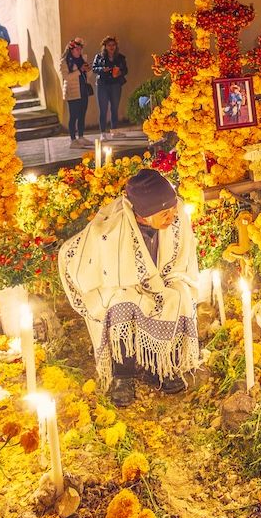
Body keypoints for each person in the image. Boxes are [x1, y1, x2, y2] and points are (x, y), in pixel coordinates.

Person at [58, 167, 199, 405]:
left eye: (173, 210)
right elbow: (99, 270)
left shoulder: (177, 215)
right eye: (165, 213)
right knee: (122, 303)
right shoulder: (112, 230)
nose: (172, 217)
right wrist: (142, 289)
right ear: (143, 215)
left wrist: (165, 284)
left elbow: (182, 259)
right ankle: (123, 375)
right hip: (122, 285)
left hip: (163, 277)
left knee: (179, 296)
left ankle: (161, 366)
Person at [92, 35, 128, 134]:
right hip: (102, 84)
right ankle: (103, 132)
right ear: (105, 46)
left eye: (113, 45)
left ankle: (114, 130)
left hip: (115, 84)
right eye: (109, 45)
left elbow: (125, 70)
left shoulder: (120, 58)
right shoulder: (99, 57)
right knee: (103, 109)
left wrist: (120, 72)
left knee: (114, 108)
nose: (111, 47)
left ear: (116, 46)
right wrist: (102, 69)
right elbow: (94, 68)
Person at [61, 38, 91, 143]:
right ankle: (73, 140)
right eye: (77, 49)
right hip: (72, 92)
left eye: (80, 49)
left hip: (83, 91)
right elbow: (66, 77)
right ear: (71, 50)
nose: (79, 51)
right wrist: (80, 70)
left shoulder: (83, 59)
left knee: (82, 115)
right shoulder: (65, 62)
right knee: (74, 116)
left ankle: (81, 137)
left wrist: (88, 70)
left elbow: (87, 76)